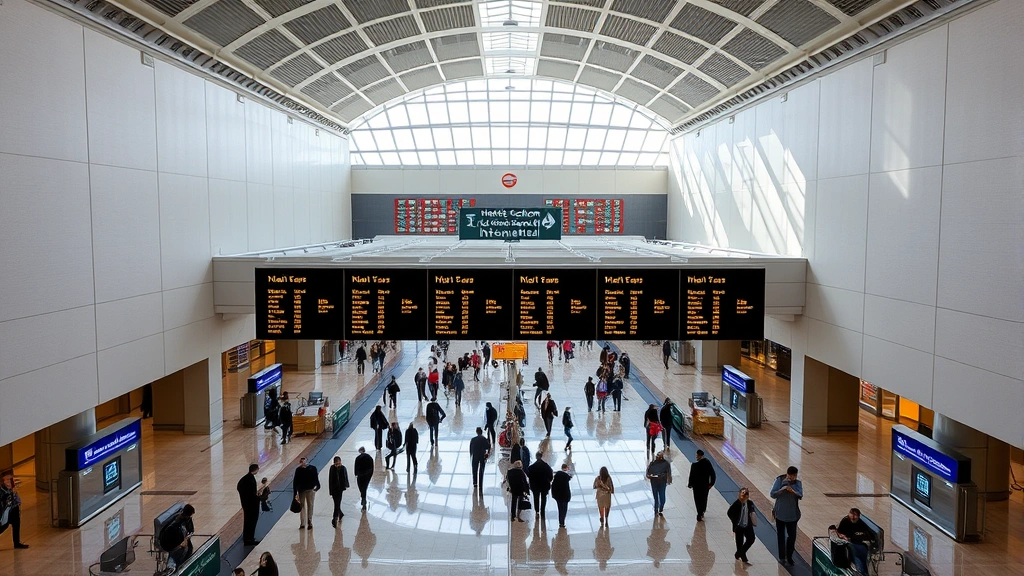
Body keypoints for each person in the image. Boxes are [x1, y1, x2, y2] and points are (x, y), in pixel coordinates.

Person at [770, 466, 803, 566]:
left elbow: (800, 495)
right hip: (780, 514)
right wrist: (782, 489)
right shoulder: (779, 480)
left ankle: (789, 556)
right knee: (781, 536)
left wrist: (792, 491)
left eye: (795, 476)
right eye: (791, 475)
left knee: (792, 537)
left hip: (792, 515)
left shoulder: (797, 483)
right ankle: (782, 557)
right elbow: (772, 494)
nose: (793, 478)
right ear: (787, 474)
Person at [837, 507, 875, 573]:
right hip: (849, 543)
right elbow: (839, 532)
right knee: (857, 552)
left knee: (863, 551)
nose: (853, 518)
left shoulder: (861, 523)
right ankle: (860, 570)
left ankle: (863, 570)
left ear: (858, 516)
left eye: (855, 516)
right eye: (852, 515)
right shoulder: (845, 521)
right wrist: (844, 537)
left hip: (859, 543)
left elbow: (868, 533)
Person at [159, 503, 194, 573]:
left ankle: (181, 565)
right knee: (180, 551)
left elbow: (191, 529)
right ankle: (172, 567)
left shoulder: (187, 519)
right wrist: (182, 542)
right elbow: (170, 537)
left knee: (188, 548)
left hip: (177, 541)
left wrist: (188, 536)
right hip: (170, 543)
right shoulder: (175, 523)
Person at [727, 487, 757, 564]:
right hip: (739, 526)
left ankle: (739, 553)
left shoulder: (750, 503)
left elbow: (752, 511)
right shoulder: (736, 504)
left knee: (751, 539)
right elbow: (729, 513)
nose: (744, 496)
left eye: (746, 494)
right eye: (743, 494)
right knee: (739, 542)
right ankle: (742, 556)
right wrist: (735, 521)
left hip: (747, 525)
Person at [0, 470, 28, 549]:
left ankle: (17, 543)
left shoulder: (11, 488)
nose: (10, 481)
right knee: (4, 526)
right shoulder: (2, 490)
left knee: (16, 524)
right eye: (8, 479)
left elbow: (17, 499)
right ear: (3, 481)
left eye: (11, 479)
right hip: (5, 511)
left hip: (13, 508)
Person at [687, 449, 716, 521]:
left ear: (700, 455)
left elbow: (691, 476)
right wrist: (711, 483)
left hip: (696, 486)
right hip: (705, 486)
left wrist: (690, 484)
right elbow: (712, 474)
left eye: (697, 455)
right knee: (704, 498)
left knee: (697, 499)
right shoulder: (707, 463)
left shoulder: (694, 466)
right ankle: (702, 511)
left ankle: (699, 512)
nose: (696, 456)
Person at [293, 457, 320, 529]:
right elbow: (295, 482)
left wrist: (318, 486)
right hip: (301, 490)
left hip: (310, 489)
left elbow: (316, 478)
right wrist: (295, 493)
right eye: (301, 461)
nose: (302, 462)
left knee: (310, 505)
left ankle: (309, 521)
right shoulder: (298, 470)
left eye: (303, 461)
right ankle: (302, 523)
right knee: (302, 506)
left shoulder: (312, 468)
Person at [236, 463, 261, 545]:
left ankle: (247, 537)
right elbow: (252, 495)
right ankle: (249, 539)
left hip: (246, 504)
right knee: (251, 521)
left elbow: (239, 487)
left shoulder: (245, 479)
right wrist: (260, 498)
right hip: (251, 505)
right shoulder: (250, 480)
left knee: (247, 521)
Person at [527, 452, 553, 518]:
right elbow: (551, 476)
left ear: (536, 457)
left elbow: (529, 475)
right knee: (544, 498)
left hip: (535, 485)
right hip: (544, 485)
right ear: (541, 456)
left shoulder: (532, 467)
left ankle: (537, 511)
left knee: (536, 498)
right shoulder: (546, 466)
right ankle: (542, 511)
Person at [646, 451, 672, 516]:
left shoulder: (666, 464)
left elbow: (669, 472)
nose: (658, 458)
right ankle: (656, 509)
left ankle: (661, 506)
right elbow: (648, 472)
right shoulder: (652, 463)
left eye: (660, 456)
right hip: (654, 481)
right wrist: (649, 475)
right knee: (655, 496)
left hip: (662, 482)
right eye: (658, 456)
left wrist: (669, 479)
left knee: (662, 496)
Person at [328, 456, 349, 528]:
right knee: (336, 503)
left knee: (337, 503)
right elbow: (330, 480)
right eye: (336, 462)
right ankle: (340, 514)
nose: (338, 463)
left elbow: (345, 477)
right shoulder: (332, 468)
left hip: (340, 489)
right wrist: (330, 491)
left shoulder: (343, 468)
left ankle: (335, 518)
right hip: (334, 489)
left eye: (339, 461)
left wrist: (345, 486)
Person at [469, 427, 491, 491]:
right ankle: (480, 482)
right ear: (481, 432)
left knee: (474, 469)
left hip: (475, 456)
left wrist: (471, 455)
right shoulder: (484, 439)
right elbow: (488, 447)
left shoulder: (473, 439)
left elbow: (471, 449)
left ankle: (475, 483)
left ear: (476, 432)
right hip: (482, 456)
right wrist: (487, 453)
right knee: (481, 470)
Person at [551, 464, 573, 528]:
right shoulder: (566, 476)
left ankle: (561, 522)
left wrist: (554, 495)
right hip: (565, 496)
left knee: (560, 509)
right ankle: (562, 521)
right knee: (564, 509)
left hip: (558, 496)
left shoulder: (556, 476)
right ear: (566, 468)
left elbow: (553, 486)